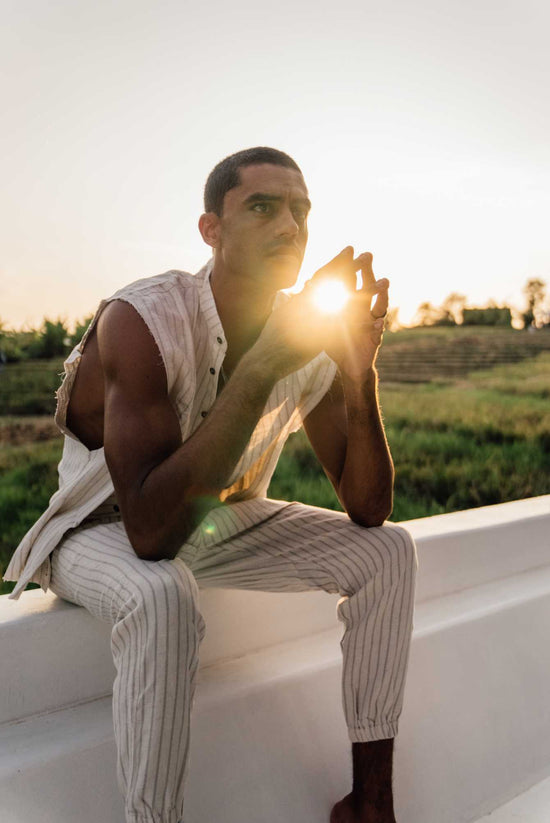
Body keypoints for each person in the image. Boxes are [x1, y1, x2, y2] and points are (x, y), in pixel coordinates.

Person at [3, 147, 417, 823]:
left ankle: (370, 805)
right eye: (263, 207)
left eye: (301, 211)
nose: (290, 225)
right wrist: (262, 367)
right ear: (211, 230)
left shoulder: (308, 333)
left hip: (218, 520)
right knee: (163, 594)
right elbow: (151, 533)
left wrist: (357, 375)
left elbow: (369, 507)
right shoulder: (141, 320)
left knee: (389, 552)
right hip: (102, 528)